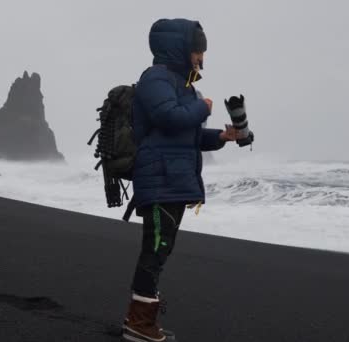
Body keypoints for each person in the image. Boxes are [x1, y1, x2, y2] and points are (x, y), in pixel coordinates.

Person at [122, 18, 237, 342]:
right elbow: (169, 119)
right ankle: (138, 325)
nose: (201, 57)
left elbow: (186, 136)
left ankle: (142, 321)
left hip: (172, 178)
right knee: (155, 249)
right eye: (198, 50)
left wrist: (222, 137)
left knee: (160, 249)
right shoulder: (155, 78)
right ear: (182, 48)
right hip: (160, 178)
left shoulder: (182, 84)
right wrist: (202, 107)